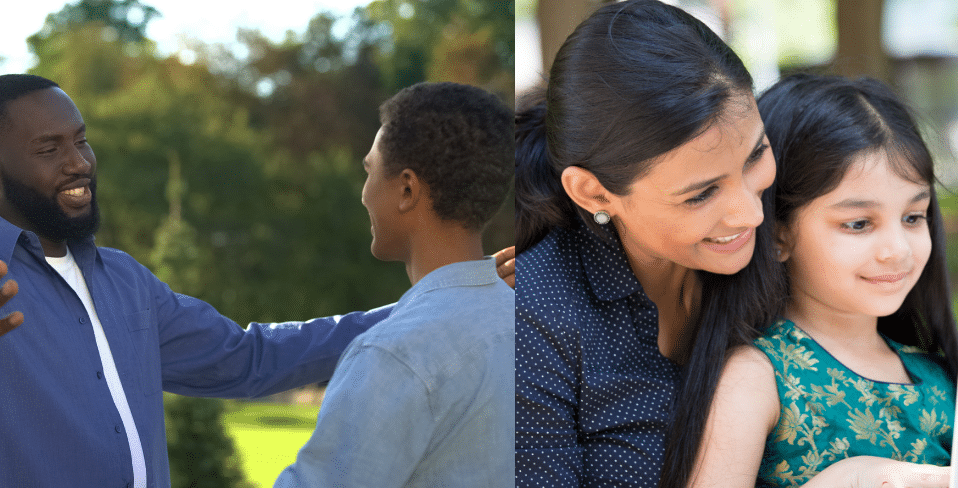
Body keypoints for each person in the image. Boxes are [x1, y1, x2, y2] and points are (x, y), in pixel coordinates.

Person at [0, 74, 513, 487]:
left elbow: (250, 357)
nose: (78, 163)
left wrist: (439, 304)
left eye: (82, 141)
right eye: (49, 149)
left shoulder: (125, 283)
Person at [514, 1, 785, 486]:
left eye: (756, 156)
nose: (752, 213)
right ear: (594, 192)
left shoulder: (789, 237)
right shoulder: (538, 318)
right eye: (701, 193)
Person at [671, 75, 958, 487]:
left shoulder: (938, 376)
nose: (897, 249)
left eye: (913, 217)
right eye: (859, 223)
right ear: (779, 234)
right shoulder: (757, 376)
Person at [274, 82, 514, 487]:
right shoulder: (537, 320)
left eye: (369, 170)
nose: (364, 193)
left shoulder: (394, 355)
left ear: (406, 189)